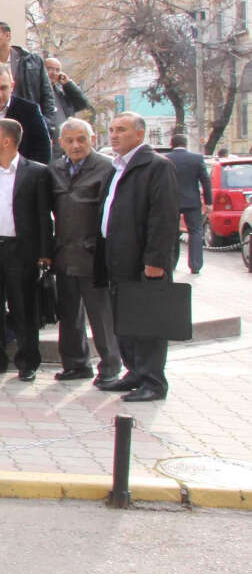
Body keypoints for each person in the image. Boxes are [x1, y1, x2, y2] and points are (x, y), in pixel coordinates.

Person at [97, 113, 180, 402]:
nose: (114, 135)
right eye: (111, 129)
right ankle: (134, 372)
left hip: (143, 261)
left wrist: (156, 260)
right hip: (116, 256)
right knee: (126, 321)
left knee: (147, 322)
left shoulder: (157, 166)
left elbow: (164, 216)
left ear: (140, 134)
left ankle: (153, 382)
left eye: (121, 129)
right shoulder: (116, 167)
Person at [0, 118, 54, 380]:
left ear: (7, 141)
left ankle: (28, 362)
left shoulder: (37, 172)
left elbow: (44, 215)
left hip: (21, 250)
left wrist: (45, 253)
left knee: (24, 307)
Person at [48, 118, 119, 383]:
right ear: (61, 143)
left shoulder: (107, 168)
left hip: (94, 255)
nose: (76, 145)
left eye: (81, 139)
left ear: (92, 140)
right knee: (68, 314)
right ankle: (76, 365)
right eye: (69, 140)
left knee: (101, 315)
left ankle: (110, 367)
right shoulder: (54, 169)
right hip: (64, 252)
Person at [0, 20, 58, 128]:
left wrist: (47, 124)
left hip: (28, 123)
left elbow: (47, 96)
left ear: (7, 36)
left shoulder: (32, 62)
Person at [164, 132, 213, 276]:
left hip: (171, 201)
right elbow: (205, 181)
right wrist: (209, 202)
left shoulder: (165, 159)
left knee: (171, 232)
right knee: (196, 231)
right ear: (186, 144)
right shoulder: (196, 158)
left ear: (171, 144)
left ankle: (172, 263)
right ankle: (195, 265)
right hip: (192, 201)